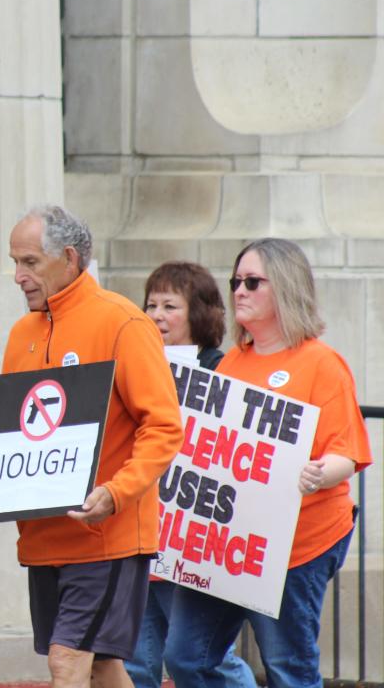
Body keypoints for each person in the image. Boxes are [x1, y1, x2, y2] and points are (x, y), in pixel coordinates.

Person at [0, 205, 183, 688]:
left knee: (67, 664)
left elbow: (164, 427)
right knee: (103, 668)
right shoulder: (23, 333)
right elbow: (4, 434)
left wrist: (116, 492)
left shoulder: (123, 322)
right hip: (44, 539)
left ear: (69, 258)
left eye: (29, 262)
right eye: (15, 262)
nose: (16, 276)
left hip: (105, 537)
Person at [163, 238, 373, 688]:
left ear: (285, 288)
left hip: (298, 544)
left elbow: (347, 452)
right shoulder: (233, 362)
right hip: (226, 541)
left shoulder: (322, 363)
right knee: (185, 656)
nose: (239, 290)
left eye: (253, 282)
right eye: (236, 281)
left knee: (287, 668)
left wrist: (320, 473)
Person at [125, 261, 255, 688]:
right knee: (137, 665)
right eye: (150, 305)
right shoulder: (135, 367)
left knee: (198, 660)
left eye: (169, 305)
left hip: (195, 542)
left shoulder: (225, 369)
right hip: (145, 534)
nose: (157, 315)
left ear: (198, 313)